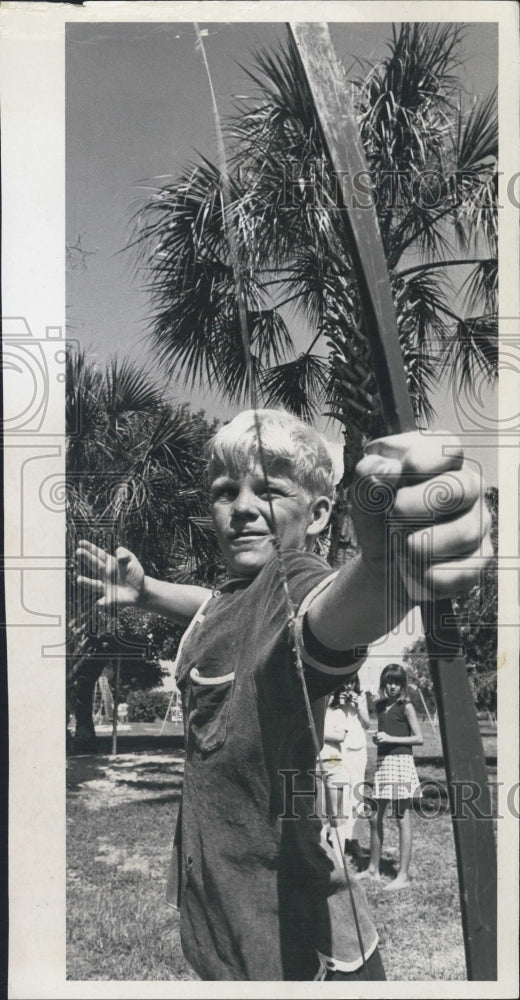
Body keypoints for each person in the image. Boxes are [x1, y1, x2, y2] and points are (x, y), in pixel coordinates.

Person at [76, 409, 491, 981]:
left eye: (269, 489)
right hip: (225, 923)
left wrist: (393, 570)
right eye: (226, 491)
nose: (243, 506)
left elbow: (323, 617)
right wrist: (147, 592)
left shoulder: (294, 579)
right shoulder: (233, 595)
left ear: (320, 513)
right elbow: (210, 605)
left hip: (300, 952)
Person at [360, 664, 423, 891]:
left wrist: (391, 738)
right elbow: (385, 734)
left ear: (403, 685)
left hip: (400, 763)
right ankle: (373, 869)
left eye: (397, 682)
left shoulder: (405, 706)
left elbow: (419, 738)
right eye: (389, 682)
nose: (393, 686)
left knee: (400, 816)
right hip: (383, 763)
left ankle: (403, 876)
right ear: (383, 683)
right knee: (375, 815)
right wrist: (380, 740)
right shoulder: (380, 705)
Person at [339, 675, 371, 857]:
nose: (349, 685)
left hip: (357, 748)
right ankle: (338, 841)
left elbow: (367, 723)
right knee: (338, 793)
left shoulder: (361, 696)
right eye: (346, 681)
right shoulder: (333, 697)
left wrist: (359, 706)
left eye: (352, 681)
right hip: (339, 748)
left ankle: (355, 841)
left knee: (356, 794)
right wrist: (341, 703)